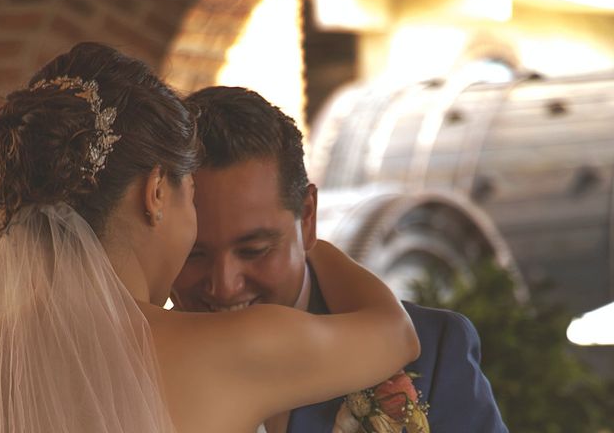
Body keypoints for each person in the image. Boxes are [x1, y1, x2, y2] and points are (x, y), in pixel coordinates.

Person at [0, 42, 420, 433]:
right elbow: (396, 333)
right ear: (155, 193)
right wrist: (309, 241)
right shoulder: (237, 348)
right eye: (189, 192)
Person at [173, 85, 509, 433]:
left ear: (307, 215)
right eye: (192, 254)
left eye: (253, 250)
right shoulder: (138, 366)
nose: (224, 286)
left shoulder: (433, 352)